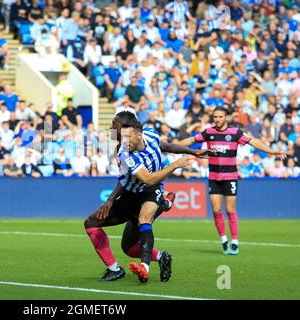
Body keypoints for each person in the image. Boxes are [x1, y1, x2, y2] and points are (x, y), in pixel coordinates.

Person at [84, 112, 215, 282]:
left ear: (135, 132)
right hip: (131, 194)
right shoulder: (123, 153)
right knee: (122, 244)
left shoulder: (151, 134)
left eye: (114, 124)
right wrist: (110, 200)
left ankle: (144, 266)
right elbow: (139, 178)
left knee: (144, 218)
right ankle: (149, 259)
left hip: (151, 190)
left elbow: (166, 147)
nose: (111, 128)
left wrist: (193, 151)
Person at [179, 107, 287, 255]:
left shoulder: (235, 132)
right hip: (214, 177)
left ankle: (235, 242)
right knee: (216, 210)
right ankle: (224, 241)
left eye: (220, 116)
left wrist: (272, 151)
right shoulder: (209, 132)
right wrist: (172, 146)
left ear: (226, 118)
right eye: (215, 117)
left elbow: (253, 142)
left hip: (230, 177)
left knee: (230, 210)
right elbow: (191, 140)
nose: (217, 119)